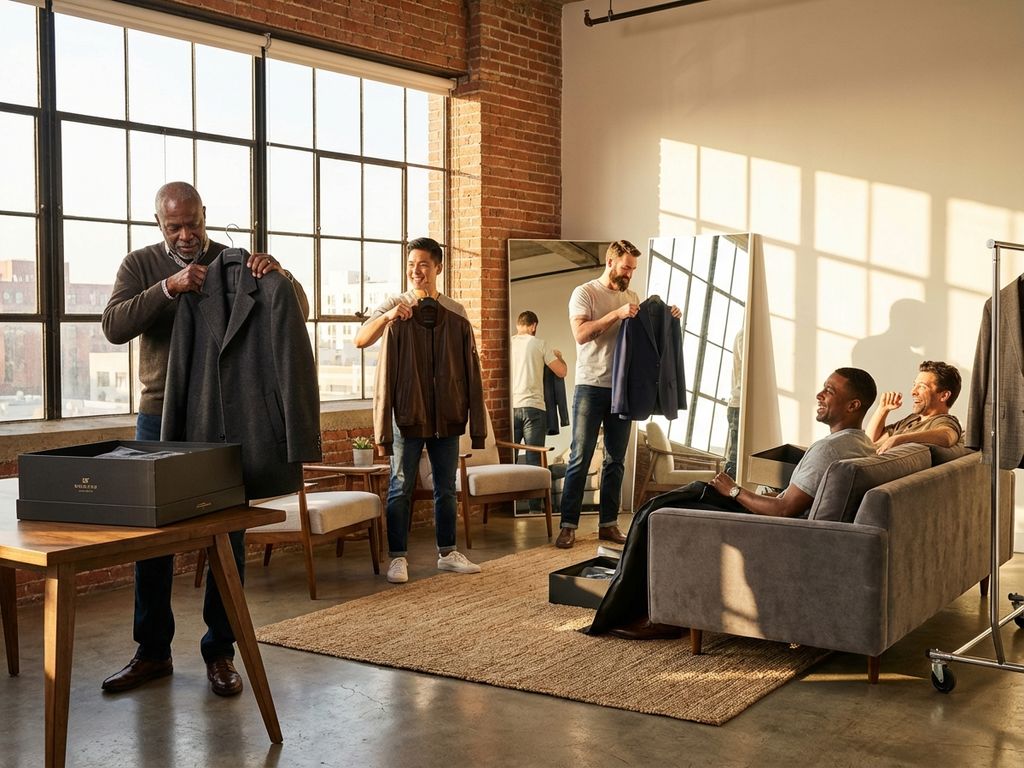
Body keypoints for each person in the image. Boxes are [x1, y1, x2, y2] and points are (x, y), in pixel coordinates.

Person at [99, 181, 309, 697]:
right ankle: (152, 653)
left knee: (226, 539)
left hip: (222, 417)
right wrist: (170, 287)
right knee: (152, 543)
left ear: (205, 215)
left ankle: (220, 652)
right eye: (176, 227)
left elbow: (296, 309)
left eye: (194, 222)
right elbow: (112, 326)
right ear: (159, 224)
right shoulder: (140, 264)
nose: (188, 234)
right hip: (157, 418)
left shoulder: (235, 261)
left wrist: (281, 272)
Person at [589, 367, 878, 639]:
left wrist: (735, 491)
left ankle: (658, 616)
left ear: (853, 405)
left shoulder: (828, 449)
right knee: (686, 498)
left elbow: (784, 510)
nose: (820, 394)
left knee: (659, 514)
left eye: (829, 390)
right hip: (798, 533)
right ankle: (647, 603)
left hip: (779, 536)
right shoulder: (863, 445)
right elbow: (792, 501)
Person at [354, 237, 482, 585]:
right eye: (411, 265)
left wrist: (472, 418)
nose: (416, 271)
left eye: (423, 264)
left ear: (438, 266)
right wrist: (389, 318)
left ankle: (448, 552)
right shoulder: (396, 304)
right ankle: (398, 557)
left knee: (445, 486)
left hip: (446, 415)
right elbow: (360, 340)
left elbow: (470, 368)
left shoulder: (456, 312)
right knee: (400, 486)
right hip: (406, 415)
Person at [555, 240, 681, 549]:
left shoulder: (633, 296)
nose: (630, 275)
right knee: (580, 457)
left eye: (634, 270)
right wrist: (617, 314)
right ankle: (568, 525)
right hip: (590, 385)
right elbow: (581, 335)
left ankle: (608, 525)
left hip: (624, 389)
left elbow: (646, 340)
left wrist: (670, 316)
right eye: (626, 268)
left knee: (615, 460)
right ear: (611, 261)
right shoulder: (585, 293)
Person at [511, 311, 567, 509]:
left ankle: (510, 506)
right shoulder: (540, 344)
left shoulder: (507, 344)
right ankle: (534, 509)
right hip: (534, 408)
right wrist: (560, 357)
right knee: (534, 460)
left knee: (509, 460)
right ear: (534, 325)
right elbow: (561, 371)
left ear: (519, 325)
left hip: (511, 408)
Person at [864, 360, 964, 454]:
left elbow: (947, 437)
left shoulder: (944, 421)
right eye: (914, 385)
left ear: (944, 396)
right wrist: (882, 409)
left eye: (922, 386)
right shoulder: (912, 419)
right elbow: (868, 441)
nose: (913, 392)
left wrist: (900, 439)